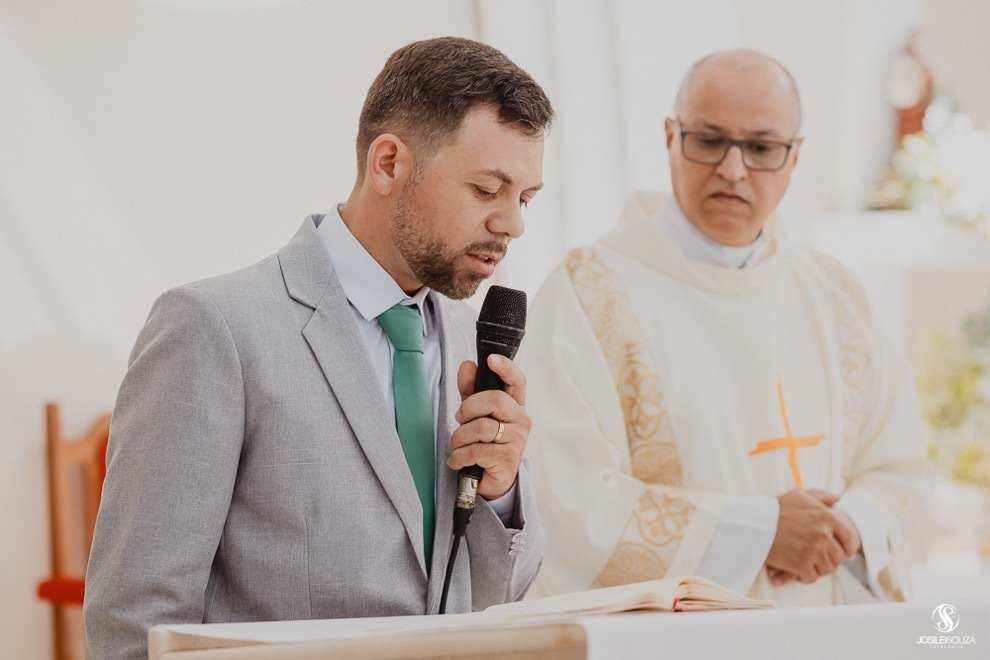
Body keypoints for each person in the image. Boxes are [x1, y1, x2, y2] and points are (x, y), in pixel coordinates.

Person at [84, 36, 554, 659]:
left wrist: (498, 491)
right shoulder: (214, 328)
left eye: (524, 199)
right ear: (388, 163)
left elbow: (494, 598)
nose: (513, 224)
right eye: (487, 190)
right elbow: (134, 624)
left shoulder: (477, 342)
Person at [518, 49, 933, 607]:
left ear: (794, 157)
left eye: (761, 148)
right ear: (670, 138)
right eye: (709, 141)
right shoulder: (587, 295)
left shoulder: (835, 295)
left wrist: (846, 527)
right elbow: (562, 497)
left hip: (824, 628)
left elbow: (899, 464)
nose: (732, 170)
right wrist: (760, 532)